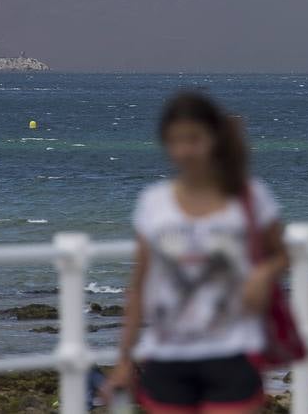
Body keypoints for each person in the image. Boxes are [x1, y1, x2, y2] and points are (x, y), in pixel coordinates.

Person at [105, 92, 288, 414]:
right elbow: (139, 284)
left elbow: (282, 254)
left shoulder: (249, 197)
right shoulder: (153, 203)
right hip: (167, 358)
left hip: (233, 352)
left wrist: (265, 273)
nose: (185, 150)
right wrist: (123, 360)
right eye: (176, 141)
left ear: (214, 140)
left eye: (194, 139)